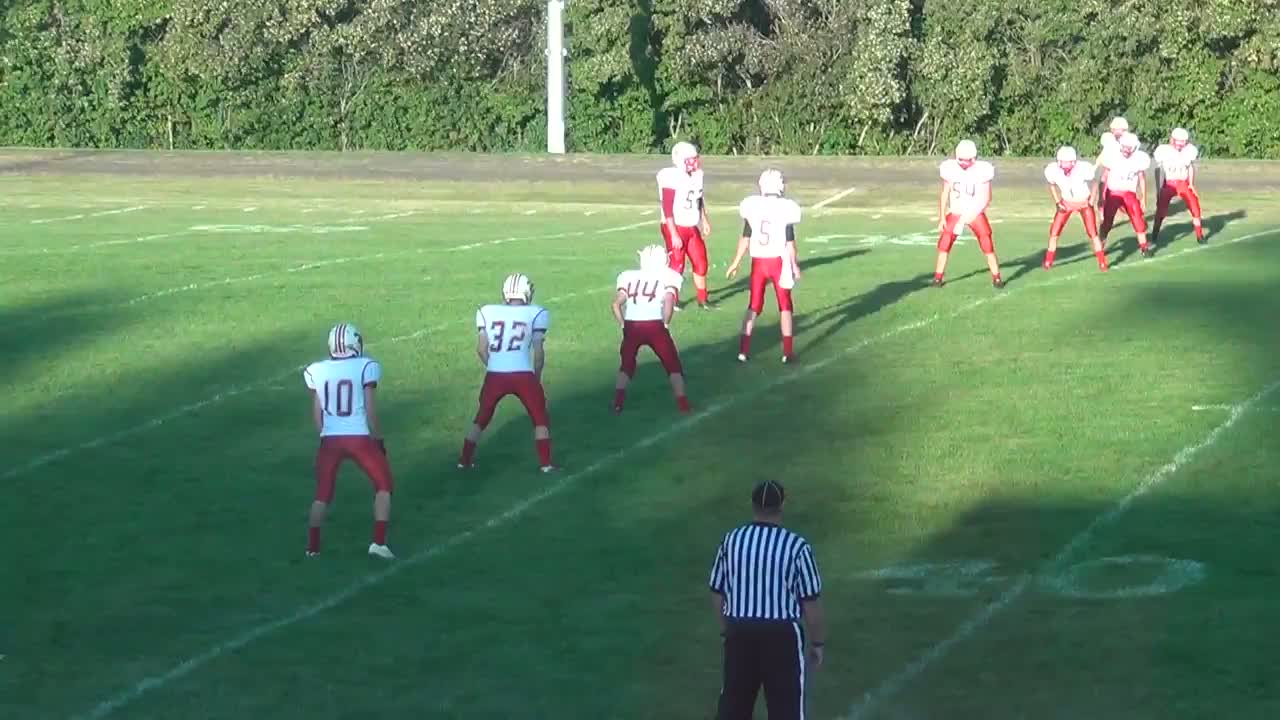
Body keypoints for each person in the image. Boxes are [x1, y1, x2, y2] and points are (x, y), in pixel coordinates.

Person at [710, 480, 826, 720]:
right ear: (782, 505)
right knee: (786, 711)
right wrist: (817, 643)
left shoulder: (731, 540)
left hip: (740, 632)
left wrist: (726, 631)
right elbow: (811, 602)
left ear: (752, 505)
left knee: (733, 709)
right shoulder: (797, 547)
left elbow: (717, 592)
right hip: (781, 637)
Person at [302, 323, 394, 559]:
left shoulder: (317, 370)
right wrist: (378, 438)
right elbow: (370, 410)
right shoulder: (365, 366)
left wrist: (325, 435)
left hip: (330, 440)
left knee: (322, 494)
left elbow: (317, 412)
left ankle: (312, 547)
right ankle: (379, 543)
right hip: (359, 438)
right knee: (383, 486)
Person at [458, 273, 556, 472]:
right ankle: (546, 465)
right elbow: (538, 354)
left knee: (481, 418)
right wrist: (536, 378)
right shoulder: (536, 313)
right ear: (526, 292)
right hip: (523, 375)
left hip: (495, 374)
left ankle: (464, 460)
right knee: (540, 419)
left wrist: (496, 365)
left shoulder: (487, 311)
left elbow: (481, 350)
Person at [726, 168, 802, 364]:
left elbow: (745, 238)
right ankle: (787, 352)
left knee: (753, 305)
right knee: (785, 306)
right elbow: (790, 243)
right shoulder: (786, 208)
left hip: (758, 263)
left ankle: (743, 351)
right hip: (778, 262)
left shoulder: (753, 206)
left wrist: (735, 262)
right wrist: (794, 265)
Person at [611, 244, 690, 414]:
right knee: (672, 365)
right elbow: (669, 301)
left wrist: (623, 325)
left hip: (632, 325)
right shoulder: (669, 276)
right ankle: (683, 404)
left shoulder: (628, 276)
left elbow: (616, 304)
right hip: (655, 325)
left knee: (626, 365)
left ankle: (618, 402)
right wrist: (666, 323)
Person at [933, 139, 1004, 288]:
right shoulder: (950, 168)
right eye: (962, 160)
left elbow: (987, 197)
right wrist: (942, 217)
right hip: (956, 211)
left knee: (987, 244)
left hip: (975, 212)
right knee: (945, 242)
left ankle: (997, 277)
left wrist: (974, 213)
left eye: (968, 160)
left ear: (974, 157)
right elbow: (945, 193)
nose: (965, 163)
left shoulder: (982, 170)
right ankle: (937, 278)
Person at [657, 141, 713, 309]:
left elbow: (698, 198)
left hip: (691, 225)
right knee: (676, 264)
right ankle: (672, 300)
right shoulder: (670, 176)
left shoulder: (697, 175)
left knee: (701, 262)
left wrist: (704, 219)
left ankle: (702, 299)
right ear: (681, 160)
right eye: (691, 159)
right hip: (674, 225)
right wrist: (673, 233)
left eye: (695, 158)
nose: (695, 162)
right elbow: (667, 207)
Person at [1042, 146, 1108, 271]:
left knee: (1093, 234)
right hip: (1066, 203)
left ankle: (1102, 262)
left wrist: (1092, 200)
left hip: (1083, 203)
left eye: (1067, 162)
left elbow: (1095, 182)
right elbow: (1051, 184)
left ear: (1073, 161)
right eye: (1062, 162)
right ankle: (1048, 261)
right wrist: (1057, 202)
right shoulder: (1053, 170)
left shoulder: (1082, 168)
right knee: (1054, 233)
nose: (1065, 165)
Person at [1099, 131, 1154, 258]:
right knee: (1107, 222)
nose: (1126, 150)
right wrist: (1102, 197)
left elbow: (1141, 178)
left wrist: (1143, 198)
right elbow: (1104, 177)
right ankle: (1100, 246)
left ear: (1134, 148)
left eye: (1129, 147)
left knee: (1137, 218)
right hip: (1113, 192)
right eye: (1124, 147)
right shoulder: (1113, 156)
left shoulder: (1138, 159)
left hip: (1129, 193)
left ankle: (1144, 247)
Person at [1152, 127, 1205, 245]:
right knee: (1161, 211)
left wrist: (1191, 184)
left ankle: (1199, 235)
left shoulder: (1189, 150)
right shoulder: (1164, 150)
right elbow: (1158, 170)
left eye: (1183, 143)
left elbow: (1190, 167)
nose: (1180, 146)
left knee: (1195, 207)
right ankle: (1154, 234)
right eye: (1178, 142)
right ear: (1172, 140)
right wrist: (1159, 188)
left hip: (1183, 183)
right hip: (1169, 183)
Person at [1094, 116, 1130, 215]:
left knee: (1123, 201)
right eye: (1115, 129)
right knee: (1103, 185)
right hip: (1110, 169)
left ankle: (1129, 211)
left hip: (1123, 172)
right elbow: (1103, 154)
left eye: (1119, 129)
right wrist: (1095, 166)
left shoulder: (1129, 140)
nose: (1117, 132)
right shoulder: (1108, 139)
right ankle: (1102, 213)